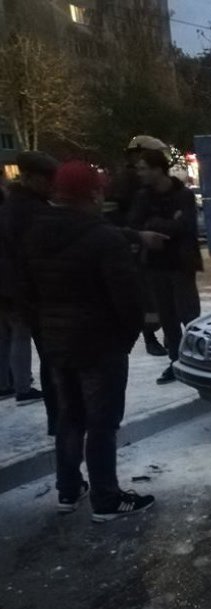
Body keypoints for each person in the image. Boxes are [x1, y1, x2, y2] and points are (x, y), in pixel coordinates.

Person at [22, 161, 153, 520]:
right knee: (101, 423)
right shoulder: (104, 237)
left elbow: (27, 290)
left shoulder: (34, 233)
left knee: (69, 417)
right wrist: (125, 338)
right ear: (92, 194)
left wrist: (47, 327)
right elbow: (128, 299)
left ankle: (68, 489)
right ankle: (106, 499)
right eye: (98, 190)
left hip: (56, 343)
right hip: (100, 345)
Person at [128, 148, 202, 385]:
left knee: (189, 315)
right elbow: (134, 225)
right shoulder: (143, 197)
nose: (139, 173)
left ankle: (199, 358)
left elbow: (187, 227)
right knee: (167, 317)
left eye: (143, 169)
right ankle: (175, 361)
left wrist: (153, 224)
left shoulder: (183, 195)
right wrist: (168, 223)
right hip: (155, 265)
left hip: (181, 263)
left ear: (158, 169)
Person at [0, 152, 58, 413]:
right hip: (23, 290)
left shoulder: (13, 205)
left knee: (11, 336)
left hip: (12, 287)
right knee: (25, 338)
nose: (52, 185)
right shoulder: (29, 210)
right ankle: (23, 387)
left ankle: (10, 383)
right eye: (47, 179)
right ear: (31, 178)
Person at [106, 135, 170, 357]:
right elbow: (115, 215)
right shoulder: (127, 181)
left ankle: (166, 333)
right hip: (137, 246)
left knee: (158, 294)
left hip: (148, 243)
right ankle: (150, 336)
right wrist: (132, 238)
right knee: (147, 296)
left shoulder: (142, 179)